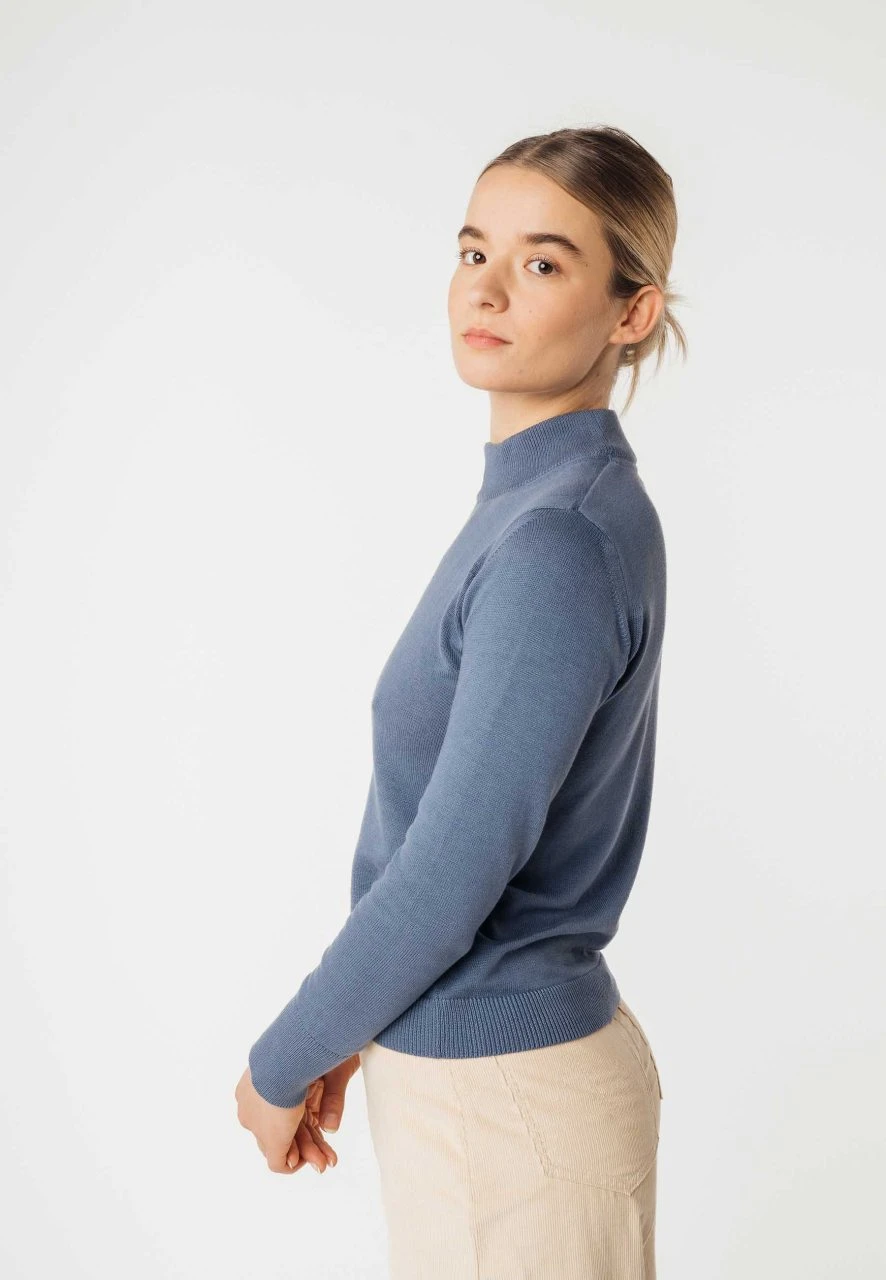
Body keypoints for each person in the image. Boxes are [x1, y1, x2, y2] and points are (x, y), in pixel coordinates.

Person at [235, 123, 687, 1279]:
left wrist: (288, 1053)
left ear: (630, 312)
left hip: (506, 1102)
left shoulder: (556, 536)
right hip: (494, 1088)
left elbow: (452, 864)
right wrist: (367, 1017)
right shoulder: (545, 504)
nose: (485, 288)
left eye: (542, 262)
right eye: (473, 249)